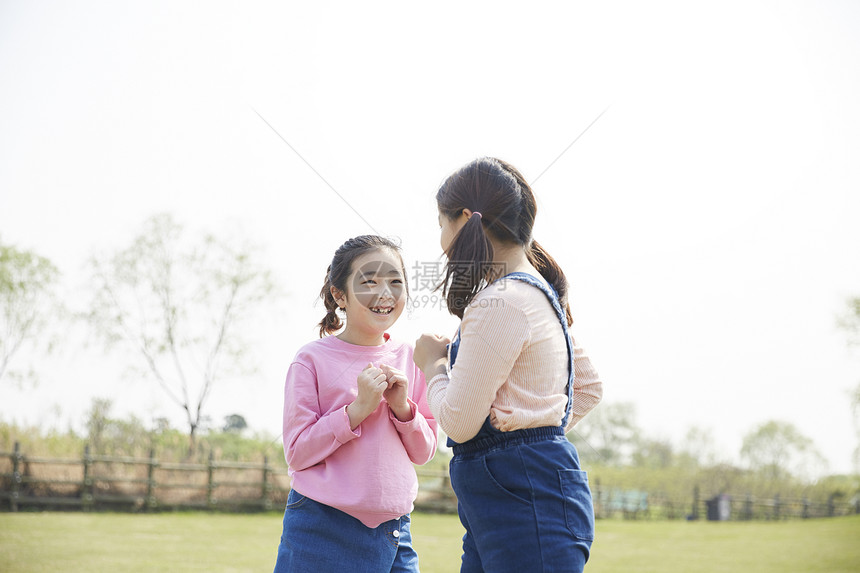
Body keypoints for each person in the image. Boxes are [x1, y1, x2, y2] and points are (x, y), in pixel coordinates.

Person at [413, 157, 604, 573]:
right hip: (518, 501)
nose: (442, 239)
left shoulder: (499, 302)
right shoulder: (537, 292)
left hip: (522, 504)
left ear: (466, 219)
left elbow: (459, 423)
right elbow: (587, 387)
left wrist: (433, 367)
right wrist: (528, 426)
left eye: (442, 223)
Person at [273, 235, 438, 573]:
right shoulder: (310, 360)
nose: (385, 294)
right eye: (369, 282)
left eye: (396, 282)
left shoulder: (412, 358)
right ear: (339, 295)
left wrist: (403, 410)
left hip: (396, 533)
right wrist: (356, 411)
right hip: (322, 528)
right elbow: (297, 452)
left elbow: (424, 452)